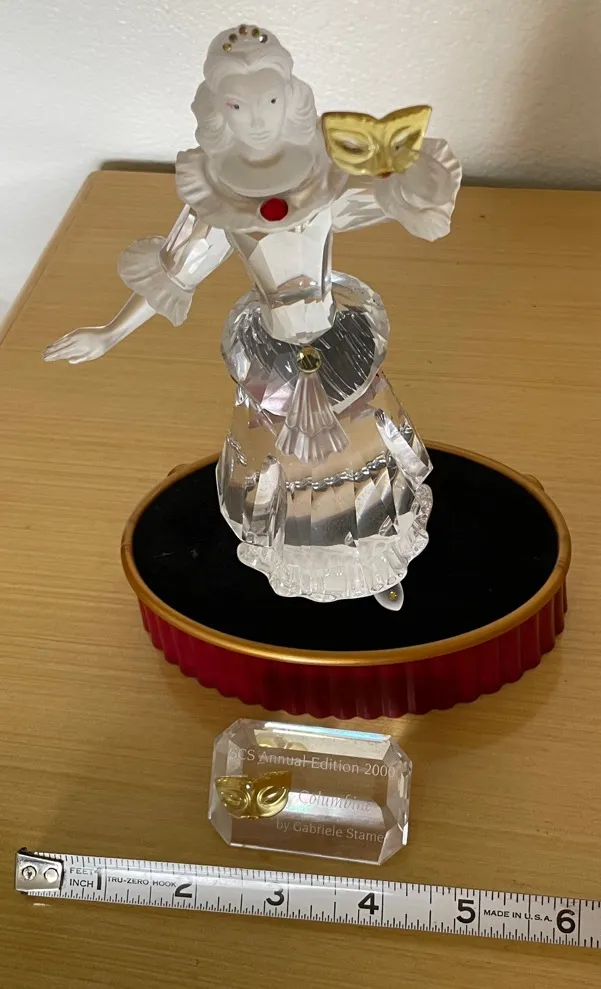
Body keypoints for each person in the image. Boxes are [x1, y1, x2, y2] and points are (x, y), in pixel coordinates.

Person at [44, 25, 462, 609]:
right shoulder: (216, 195)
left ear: (291, 100)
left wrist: (409, 181)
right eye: (239, 107)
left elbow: (387, 202)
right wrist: (110, 332)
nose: (258, 120)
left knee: (366, 457)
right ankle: (305, 570)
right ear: (218, 112)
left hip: (338, 338)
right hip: (274, 357)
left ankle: (377, 565)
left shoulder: (324, 172)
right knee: (283, 470)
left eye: (269, 100)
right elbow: (177, 271)